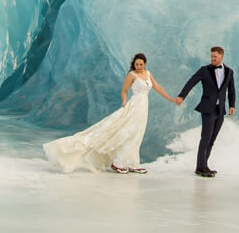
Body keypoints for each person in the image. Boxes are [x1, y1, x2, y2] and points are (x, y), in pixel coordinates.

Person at [43, 53, 176, 174]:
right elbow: (124, 91)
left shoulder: (148, 73)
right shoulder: (132, 75)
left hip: (143, 107)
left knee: (137, 133)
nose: (139, 66)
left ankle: (132, 163)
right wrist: (124, 102)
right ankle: (118, 162)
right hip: (134, 106)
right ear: (133, 64)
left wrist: (170, 99)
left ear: (145, 64)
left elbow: (157, 87)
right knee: (125, 132)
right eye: (137, 64)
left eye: (141, 64)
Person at [175, 46, 236, 177]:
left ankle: (204, 165)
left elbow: (231, 90)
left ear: (221, 57)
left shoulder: (229, 72)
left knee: (212, 139)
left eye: (215, 57)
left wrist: (232, 105)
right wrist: (181, 96)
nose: (212, 59)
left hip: (220, 110)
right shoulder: (204, 70)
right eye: (212, 56)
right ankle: (200, 167)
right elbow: (191, 82)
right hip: (208, 109)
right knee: (206, 138)